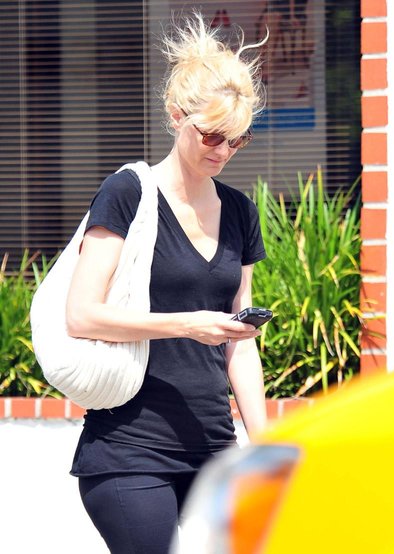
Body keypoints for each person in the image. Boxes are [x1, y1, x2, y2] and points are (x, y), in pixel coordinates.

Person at [67, 11, 268, 554]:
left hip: (214, 447)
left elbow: (242, 344)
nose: (222, 151)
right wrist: (187, 325)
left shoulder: (240, 212)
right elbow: (81, 315)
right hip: (129, 447)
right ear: (177, 116)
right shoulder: (128, 194)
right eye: (212, 135)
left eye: (237, 140)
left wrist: (264, 446)